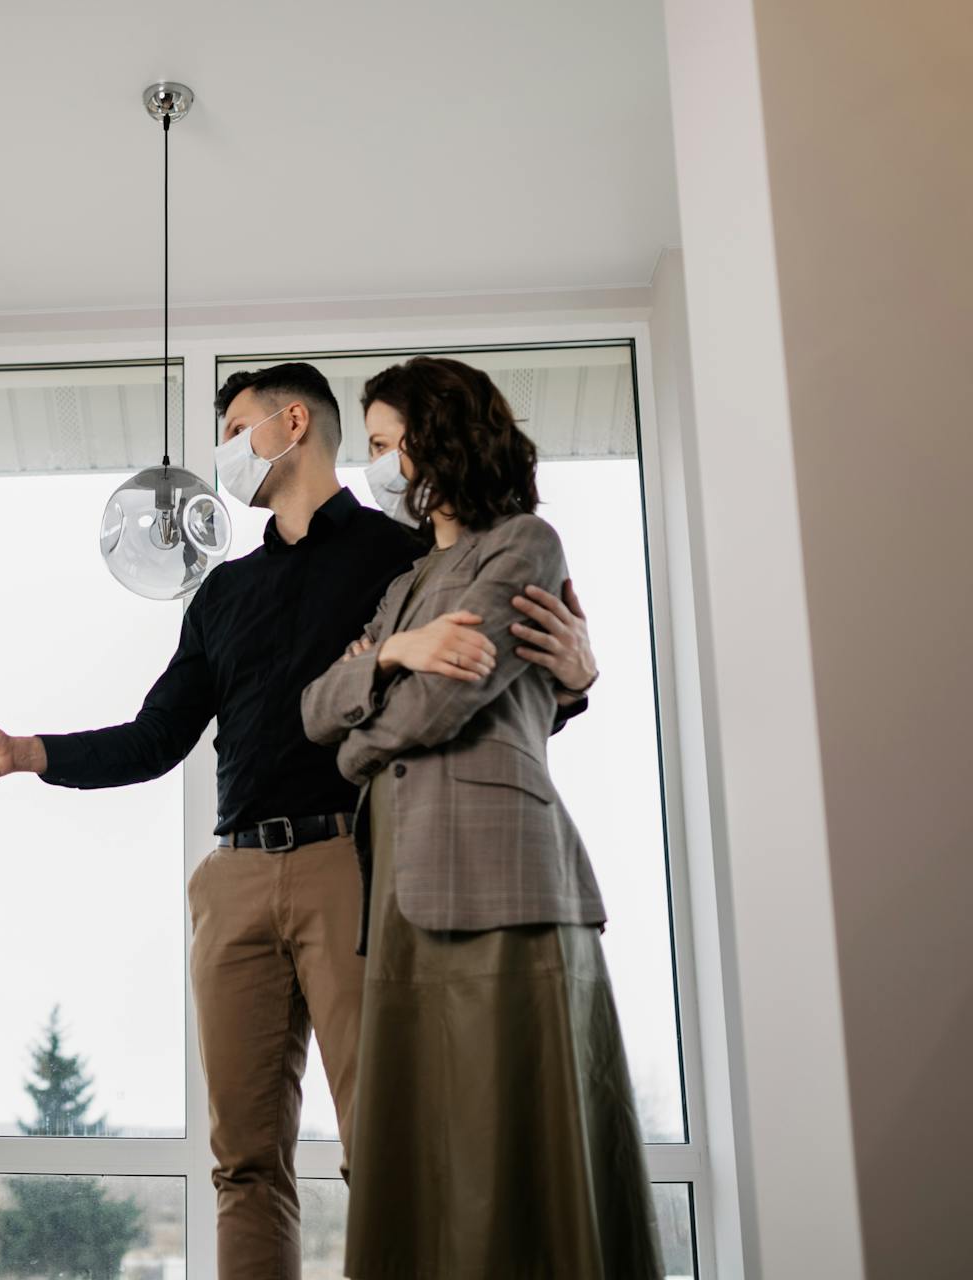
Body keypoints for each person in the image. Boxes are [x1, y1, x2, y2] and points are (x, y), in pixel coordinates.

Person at [0, 362, 597, 1280]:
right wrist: (22, 751)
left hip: (358, 868)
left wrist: (575, 680)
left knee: (392, 1147)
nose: (222, 454)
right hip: (234, 882)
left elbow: (490, 684)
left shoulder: (406, 558)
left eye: (233, 427)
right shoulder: (219, 595)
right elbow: (156, 736)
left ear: (293, 424)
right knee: (243, 1162)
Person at [300, 356, 660, 1278]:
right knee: (426, 1149)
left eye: (383, 444)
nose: (375, 465)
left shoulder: (525, 545)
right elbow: (312, 710)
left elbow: (436, 711)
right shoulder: (404, 586)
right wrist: (392, 657)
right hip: (405, 889)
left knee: (518, 1139)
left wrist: (366, 710)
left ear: (438, 439)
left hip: (503, 876)